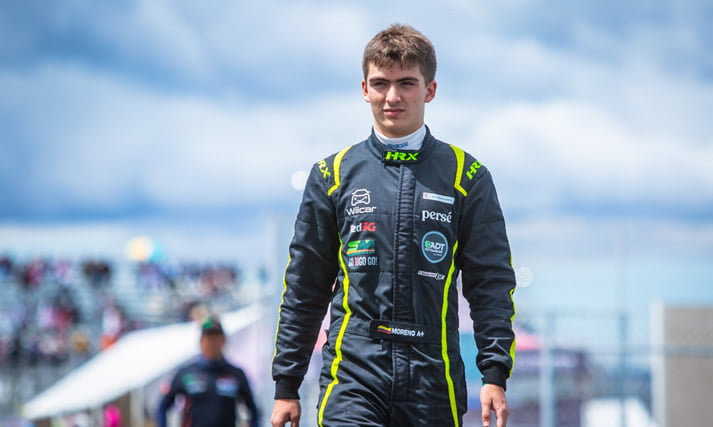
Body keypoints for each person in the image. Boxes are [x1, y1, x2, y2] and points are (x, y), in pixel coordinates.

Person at [271, 24, 516, 427]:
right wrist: (287, 385)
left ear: (429, 90)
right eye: (380, 83)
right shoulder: (332, 175)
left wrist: (494, 373)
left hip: (432, 378)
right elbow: (305, 286)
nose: (392, 97)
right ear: (364, 89)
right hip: (353, 376)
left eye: (406, 83)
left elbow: (490, 282)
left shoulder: (466, 176)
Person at [157, 316, 259, 427]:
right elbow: (162, 407)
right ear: (201, 342)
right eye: (209, 338)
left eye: (216, 338)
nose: (212, 343)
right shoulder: (186, 373)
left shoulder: (236, 374)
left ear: (224, 341)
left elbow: (254, 410)